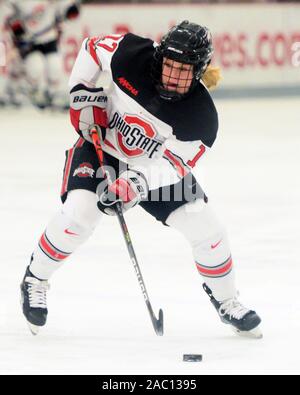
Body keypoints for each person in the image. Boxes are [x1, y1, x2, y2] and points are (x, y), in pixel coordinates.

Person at [20, 21, 262, 338]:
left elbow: (173, 165)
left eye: (184, 70)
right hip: (101, 147)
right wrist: (84, 93)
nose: (173, 77)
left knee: (207, 228)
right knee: (79, 215)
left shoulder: (200, 119)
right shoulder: (131, 53)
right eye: (170, 66)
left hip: (153, 170)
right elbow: (91, 50)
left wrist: (135, 183)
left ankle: (227, 301)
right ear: (159, 57)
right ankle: (34, 280)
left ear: (200, 71)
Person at [3, 0, 80, 109]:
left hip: (49, 37)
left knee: (55, 65)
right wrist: (14, 26)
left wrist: (70, 9)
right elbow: (8, 11)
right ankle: (32, 92)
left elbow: (66, 6)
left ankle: (54, 93)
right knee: (35, 66)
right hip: (29, 40)